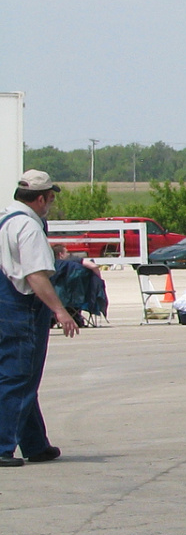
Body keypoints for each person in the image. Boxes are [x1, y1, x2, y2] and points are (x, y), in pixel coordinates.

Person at [1, 171, 79, 468]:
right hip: (22, 309)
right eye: (50, 198)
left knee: (23, 378)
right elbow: (35, 276)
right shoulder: (29, 228)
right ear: (40, 198)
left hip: (4, 305)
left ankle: (35, 443)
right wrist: (60, 310)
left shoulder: (5, 219)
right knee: (17, 379)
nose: (51, 203)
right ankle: (2, 446)